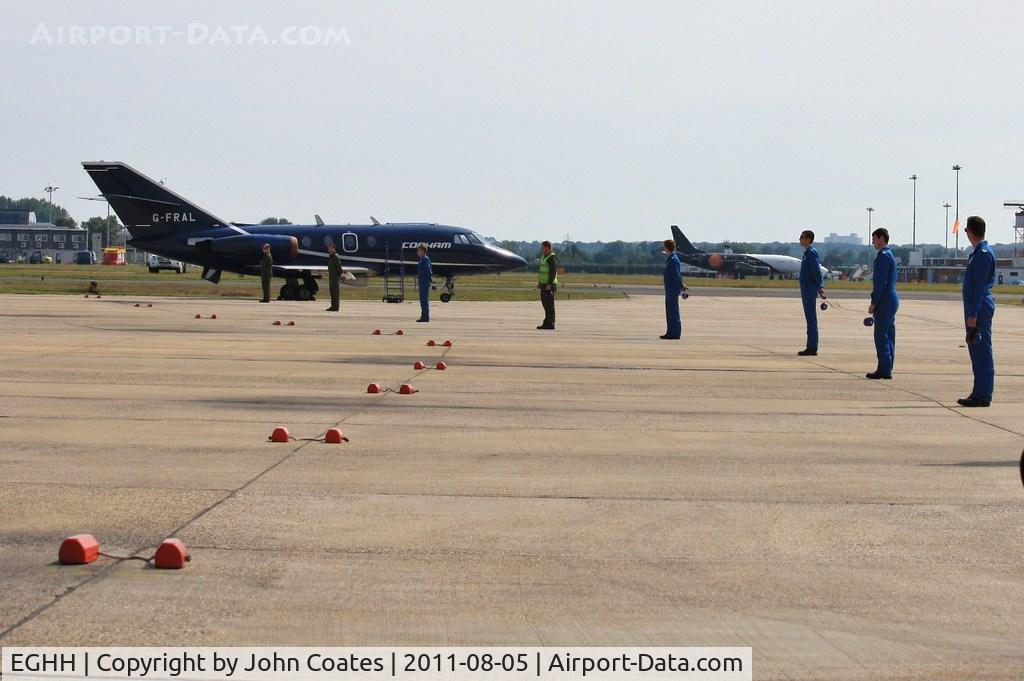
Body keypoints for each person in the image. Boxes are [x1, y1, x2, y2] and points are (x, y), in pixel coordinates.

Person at [958, 216, 996, 407]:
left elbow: (979, 286)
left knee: (981, 350)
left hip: (979, 308)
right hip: (976, 307)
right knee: (975, 349)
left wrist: (973, 315)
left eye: (966, 231)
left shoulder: (982, 253)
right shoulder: (978, 252)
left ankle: (983, 394)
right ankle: (978, 391)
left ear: (970, 231)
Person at [866, 227, 899, 379]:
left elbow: (881, 283)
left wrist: (874, 302)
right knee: (888, 334)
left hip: (885, 299)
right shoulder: (889, 254)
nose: (873, 242)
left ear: (881, 238)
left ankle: (884, 369)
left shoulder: (883, 256)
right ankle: (887, 366)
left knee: (881, 334)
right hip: (890, 298)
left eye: (874, 239)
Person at [797, 229, 825, 355]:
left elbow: (816, 271)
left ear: (808, 239)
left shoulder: (811, 253)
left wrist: (820, 287)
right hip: (806, 288)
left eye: (802, 237)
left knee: (811, 318)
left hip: (809, 289)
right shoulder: (807, 253)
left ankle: (812, 347)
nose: (800, 239)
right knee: (809, 318)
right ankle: (811, 345)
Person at [661, 239, 684, 339]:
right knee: (670, 312)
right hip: (670, 289)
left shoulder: (673, 260)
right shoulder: (671, 258)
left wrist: (681, 285)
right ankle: (670, 332)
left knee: (673, 311)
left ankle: (675, 333)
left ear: (667, 248)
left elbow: (676, 275)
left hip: (672, 290)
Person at [537, 240, 558, 330]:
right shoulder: (544, 257)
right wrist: (540, 282)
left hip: (549, 285)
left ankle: (550, 323)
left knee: (549, 305)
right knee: (545, 304)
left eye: (543, 247)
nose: (542, 249)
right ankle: (547, 322)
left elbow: (552, 272)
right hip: (543, 284)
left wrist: (549, 284)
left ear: (548, 248)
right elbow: (542, 272)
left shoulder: (551, 258)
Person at [416, 244, 432, 322]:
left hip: (424, 282)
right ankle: (424, 316)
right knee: (423, 300)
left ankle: (425, 317)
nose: (417, 252)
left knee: (424, 300)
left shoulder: (425, 259)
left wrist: (429, 280)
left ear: (422, 251)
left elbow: (428, 271)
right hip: (422, 281)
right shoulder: (422, 259)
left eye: (419, 250)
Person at [326, 242, 342, 311]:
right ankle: (333, 306)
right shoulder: (331, 257)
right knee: (332, 292)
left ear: (333, 248)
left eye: (330, 248)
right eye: (328, 248)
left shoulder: (335, 257)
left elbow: (339, 268)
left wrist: (338, 275)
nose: (328, 249)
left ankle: (336, 307)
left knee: (335, 293)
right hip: (331, 277)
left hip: (335, 278)